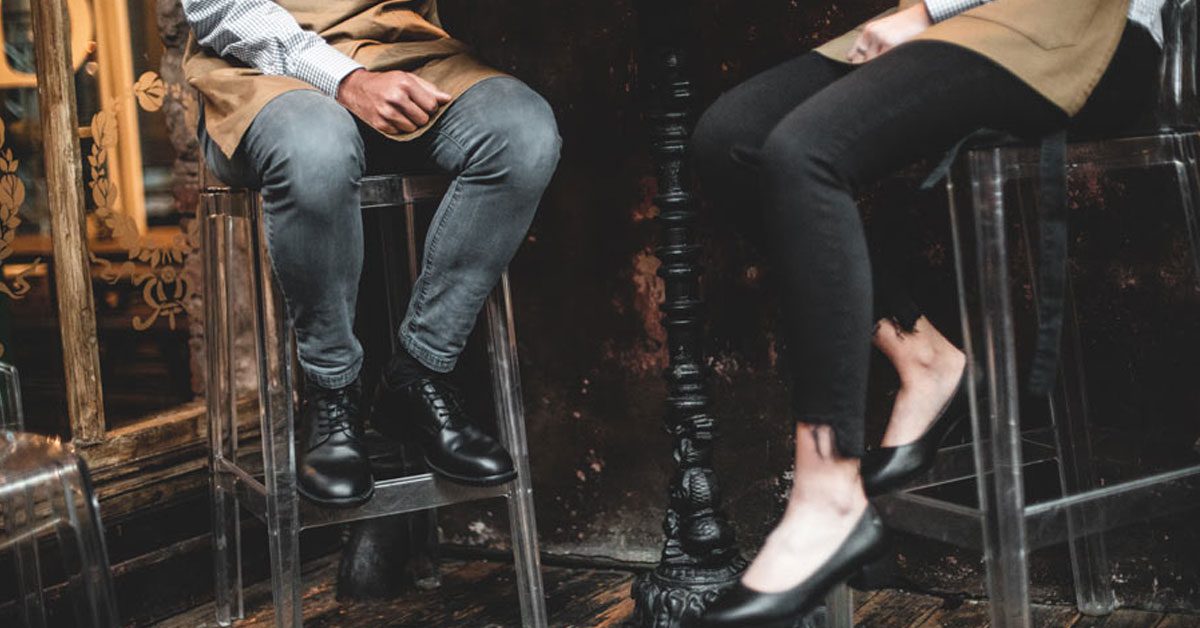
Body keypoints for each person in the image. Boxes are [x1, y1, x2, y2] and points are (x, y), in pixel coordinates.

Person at [690, 0, 1166, 624]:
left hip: (1084, 25)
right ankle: (920, 352)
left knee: (806, 150)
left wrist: (929, 9)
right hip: (972, 16)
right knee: (732, 138)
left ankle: (827, 493)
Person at [182, 0, 561, 507]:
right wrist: (346, 81)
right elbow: (221, 8)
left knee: (523, 133)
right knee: (315, 150)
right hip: (262, 71)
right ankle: (332, 392)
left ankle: (418, 374)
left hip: (405, 51)